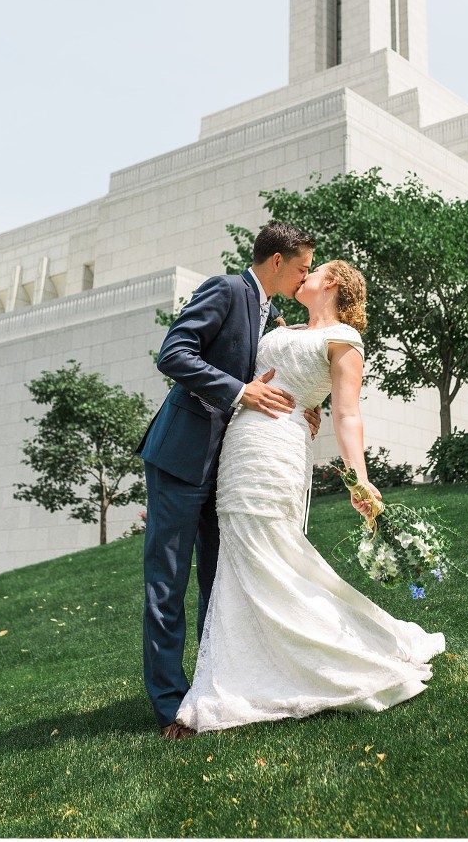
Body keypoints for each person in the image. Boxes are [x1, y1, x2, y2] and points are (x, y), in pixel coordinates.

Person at [172, 260, 445, 737]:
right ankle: (239, 671)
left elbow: (347, 414)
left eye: (312, 270)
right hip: (240, 444)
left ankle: (331, 659)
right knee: (238, 557)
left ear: (333, 282)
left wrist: (358, 478)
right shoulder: (282, 324)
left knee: (274, 550)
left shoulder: (343, 339)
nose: (304, 275)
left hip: (279, 448)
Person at [138, 221, 321, 738]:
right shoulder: (225, 288)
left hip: (230, 470)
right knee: (167, 586)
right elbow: (174, 354)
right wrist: (241, 392)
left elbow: (274, 378)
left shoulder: (274, 314)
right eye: (303, 266)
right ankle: (171, 705)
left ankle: (211, 689)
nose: (305, 276)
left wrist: (301, 408)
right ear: (278, 260)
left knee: (220, 585)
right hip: (179, 458)